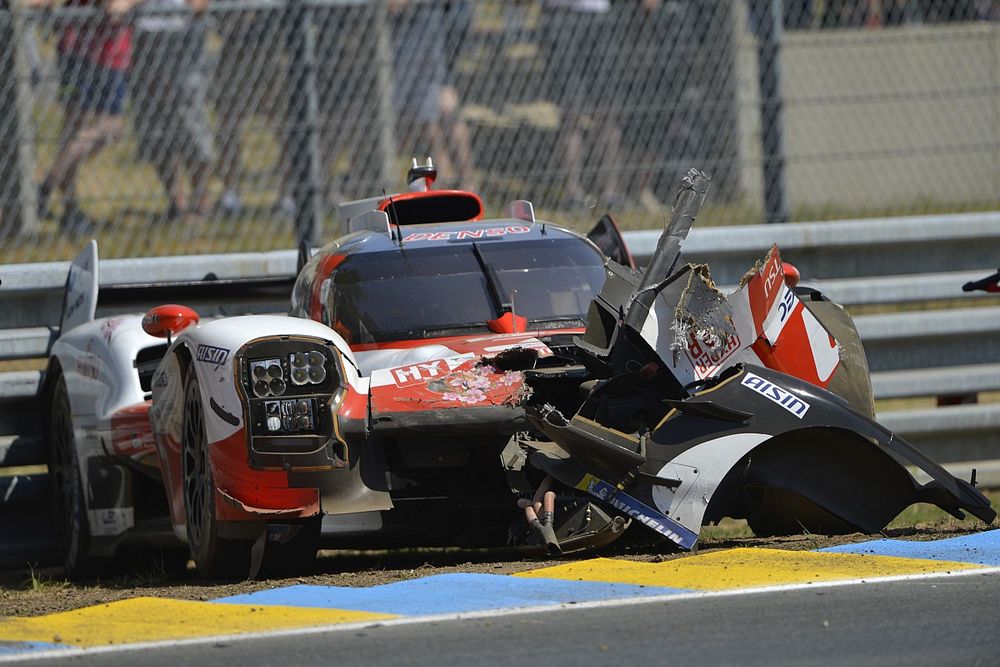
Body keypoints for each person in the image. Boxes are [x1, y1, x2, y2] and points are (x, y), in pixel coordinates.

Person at [32, 0, 140, 236]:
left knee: (76, 132)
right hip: (96, 54)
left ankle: (65, 202)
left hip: (85, 50)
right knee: (109, 127)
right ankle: (50, 185)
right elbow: (113, 8)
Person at [131, 0, 213, 222]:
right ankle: (177, 203)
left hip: (183, 36)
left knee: (189, 122)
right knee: (153, 124)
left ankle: (201, 200)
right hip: (145, 36)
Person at [538, 0, 624, 209]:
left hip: (598, 15)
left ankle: (610, 193)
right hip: (561, 16)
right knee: (571, 113)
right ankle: (574, 194)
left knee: (607, 113)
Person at [389, 0, 476, 190]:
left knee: (442, 112)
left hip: (431, 46)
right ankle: (443, 184)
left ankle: (463, 185)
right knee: (429, 122)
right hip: (404, 47)